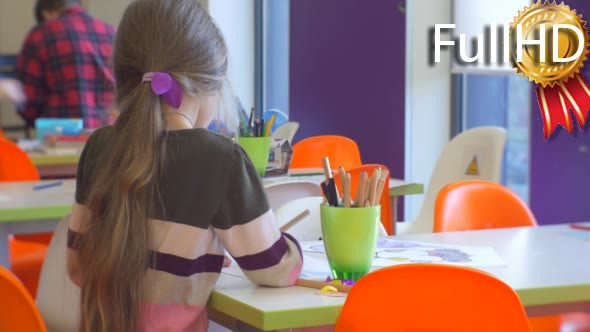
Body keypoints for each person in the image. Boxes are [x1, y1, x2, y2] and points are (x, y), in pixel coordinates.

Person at [65, 1, 303, 331]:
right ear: (207, 86)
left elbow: (77, 268)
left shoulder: (97, 148)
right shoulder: (221, 159)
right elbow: (276, 269)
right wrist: (291, 244)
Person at [15, 0, 116, 129]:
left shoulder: (41, 34)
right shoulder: (113, 32)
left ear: (46, 13)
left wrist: (38, 122)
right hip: (108, 134)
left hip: (60, 135)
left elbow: (27, 99)